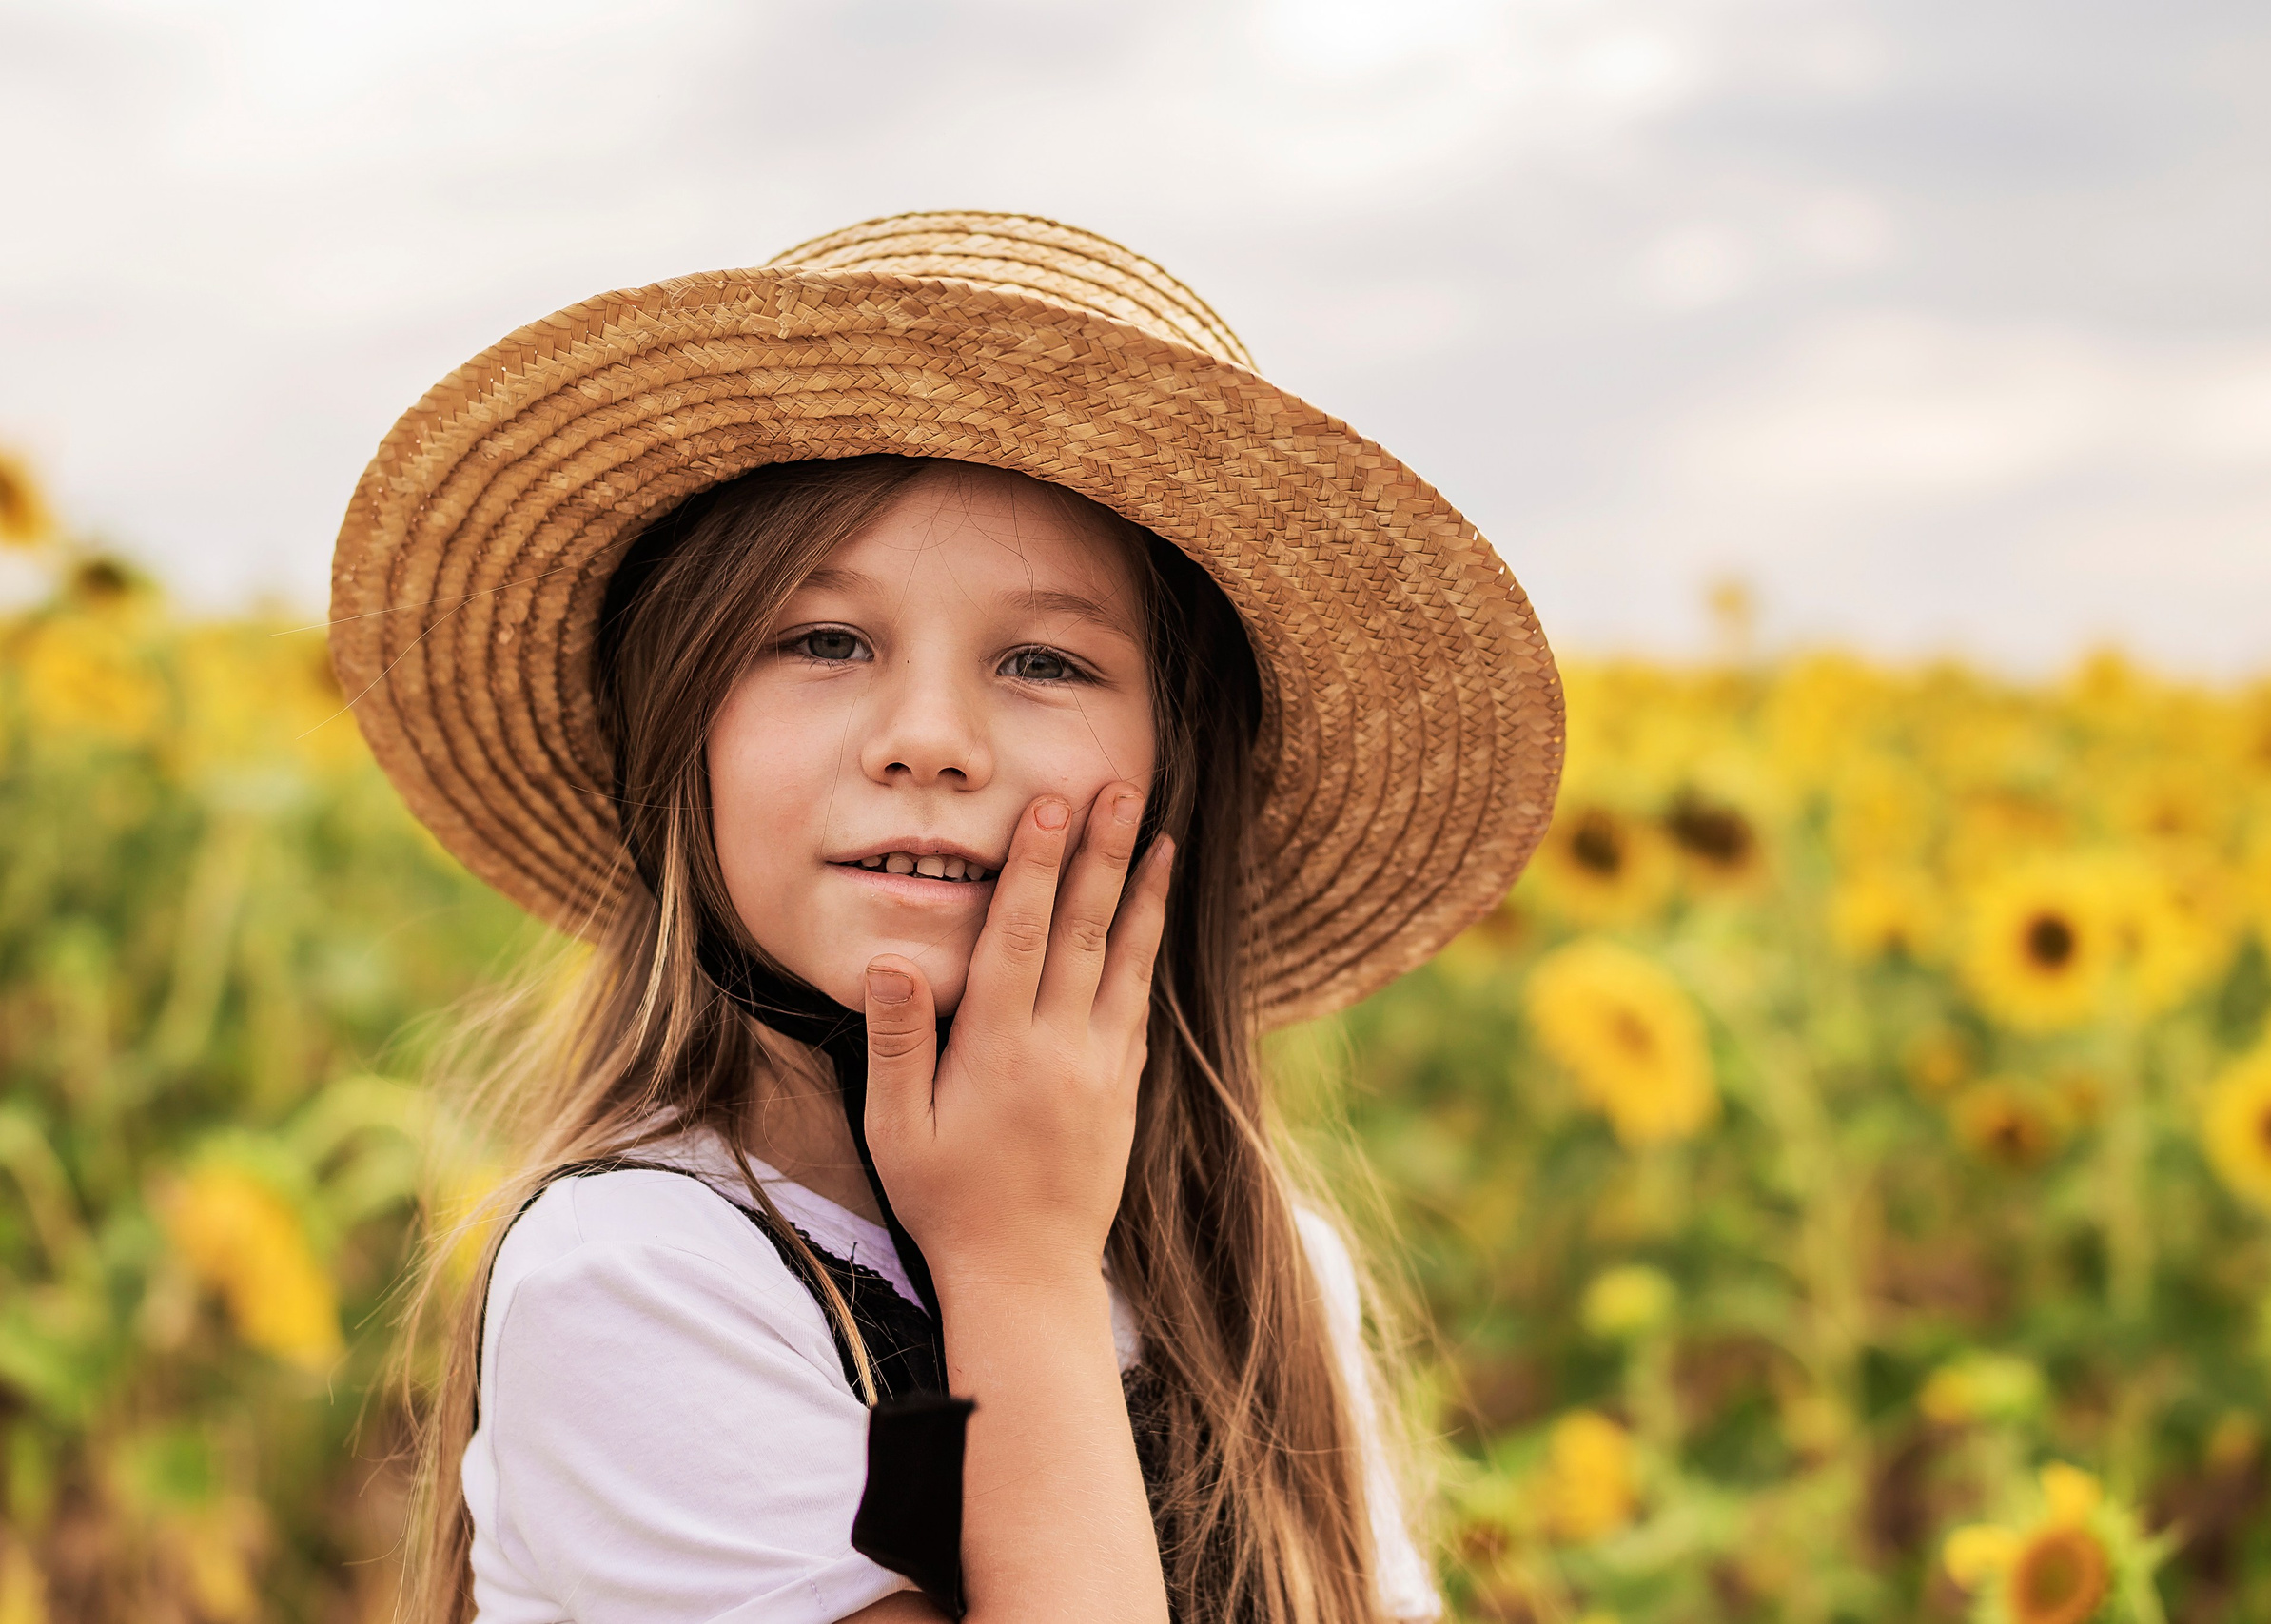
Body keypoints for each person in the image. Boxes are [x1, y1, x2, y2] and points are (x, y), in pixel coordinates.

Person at [334, 213, 1561, 1624]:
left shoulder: (1268, 1271)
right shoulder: (641, 1280)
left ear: (1182, 769)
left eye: (1044, 660)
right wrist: (1016, 1261)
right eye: (822, 641)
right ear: (682, 731)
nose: (927, 739)